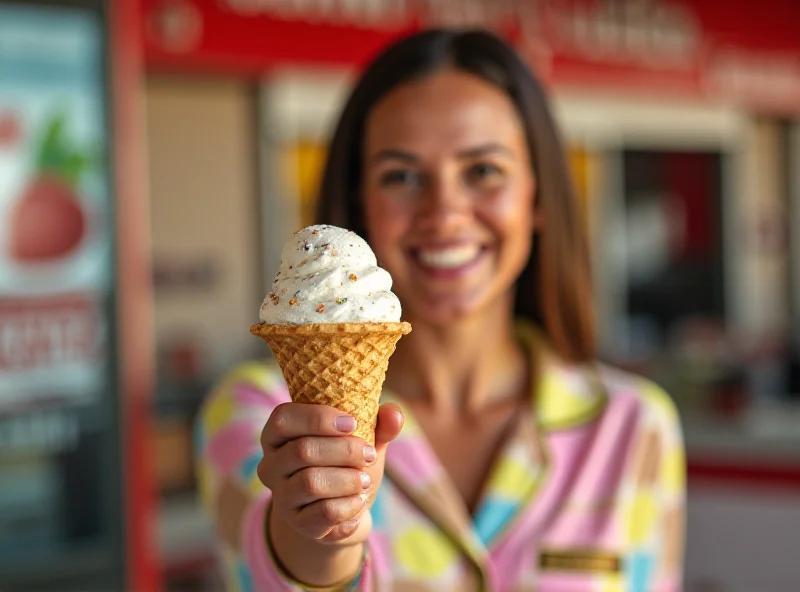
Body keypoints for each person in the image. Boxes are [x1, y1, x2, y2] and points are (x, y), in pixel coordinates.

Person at [196, 29, 685, 592]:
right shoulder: (263, 413)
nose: (445, 212)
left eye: (482, 171)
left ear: (538, 196)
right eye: (401, 176)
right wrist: (319, 539)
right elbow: (265, 566)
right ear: (361, 203)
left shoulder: (635, 427)